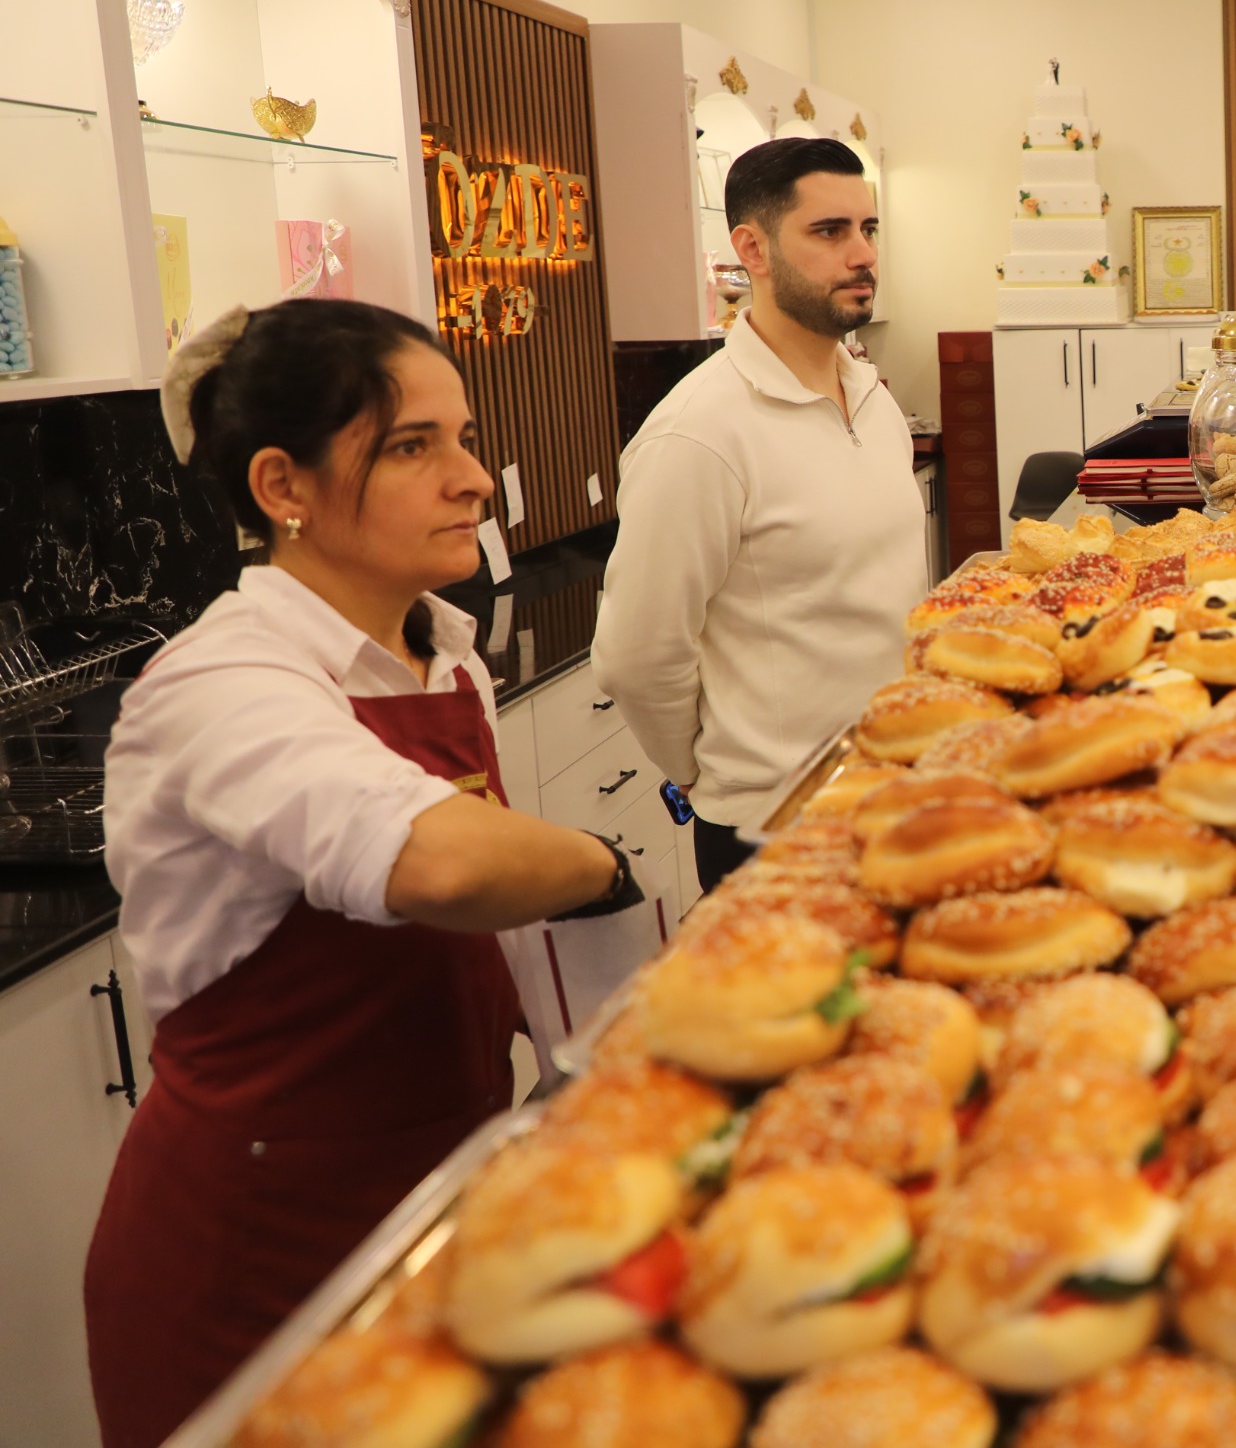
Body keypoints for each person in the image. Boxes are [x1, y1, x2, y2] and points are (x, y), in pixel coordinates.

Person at [87, 301, 628, 1448]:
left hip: (435, 1200)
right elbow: (432, 860)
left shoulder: (443, 652)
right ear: (281, 485)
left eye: (464, 437)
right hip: (258, 1247)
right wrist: (603, 868)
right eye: (411, 445)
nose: (474, 480)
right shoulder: (220, 684)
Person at [594, 137, 928, 890]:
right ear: (753, 247)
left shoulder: (872, 398)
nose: (862, 254)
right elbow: (638, 655)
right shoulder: (700, 433)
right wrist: (720, 770)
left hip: (895, 787)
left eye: (868, 230)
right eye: (829, 231)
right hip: (778, 826)